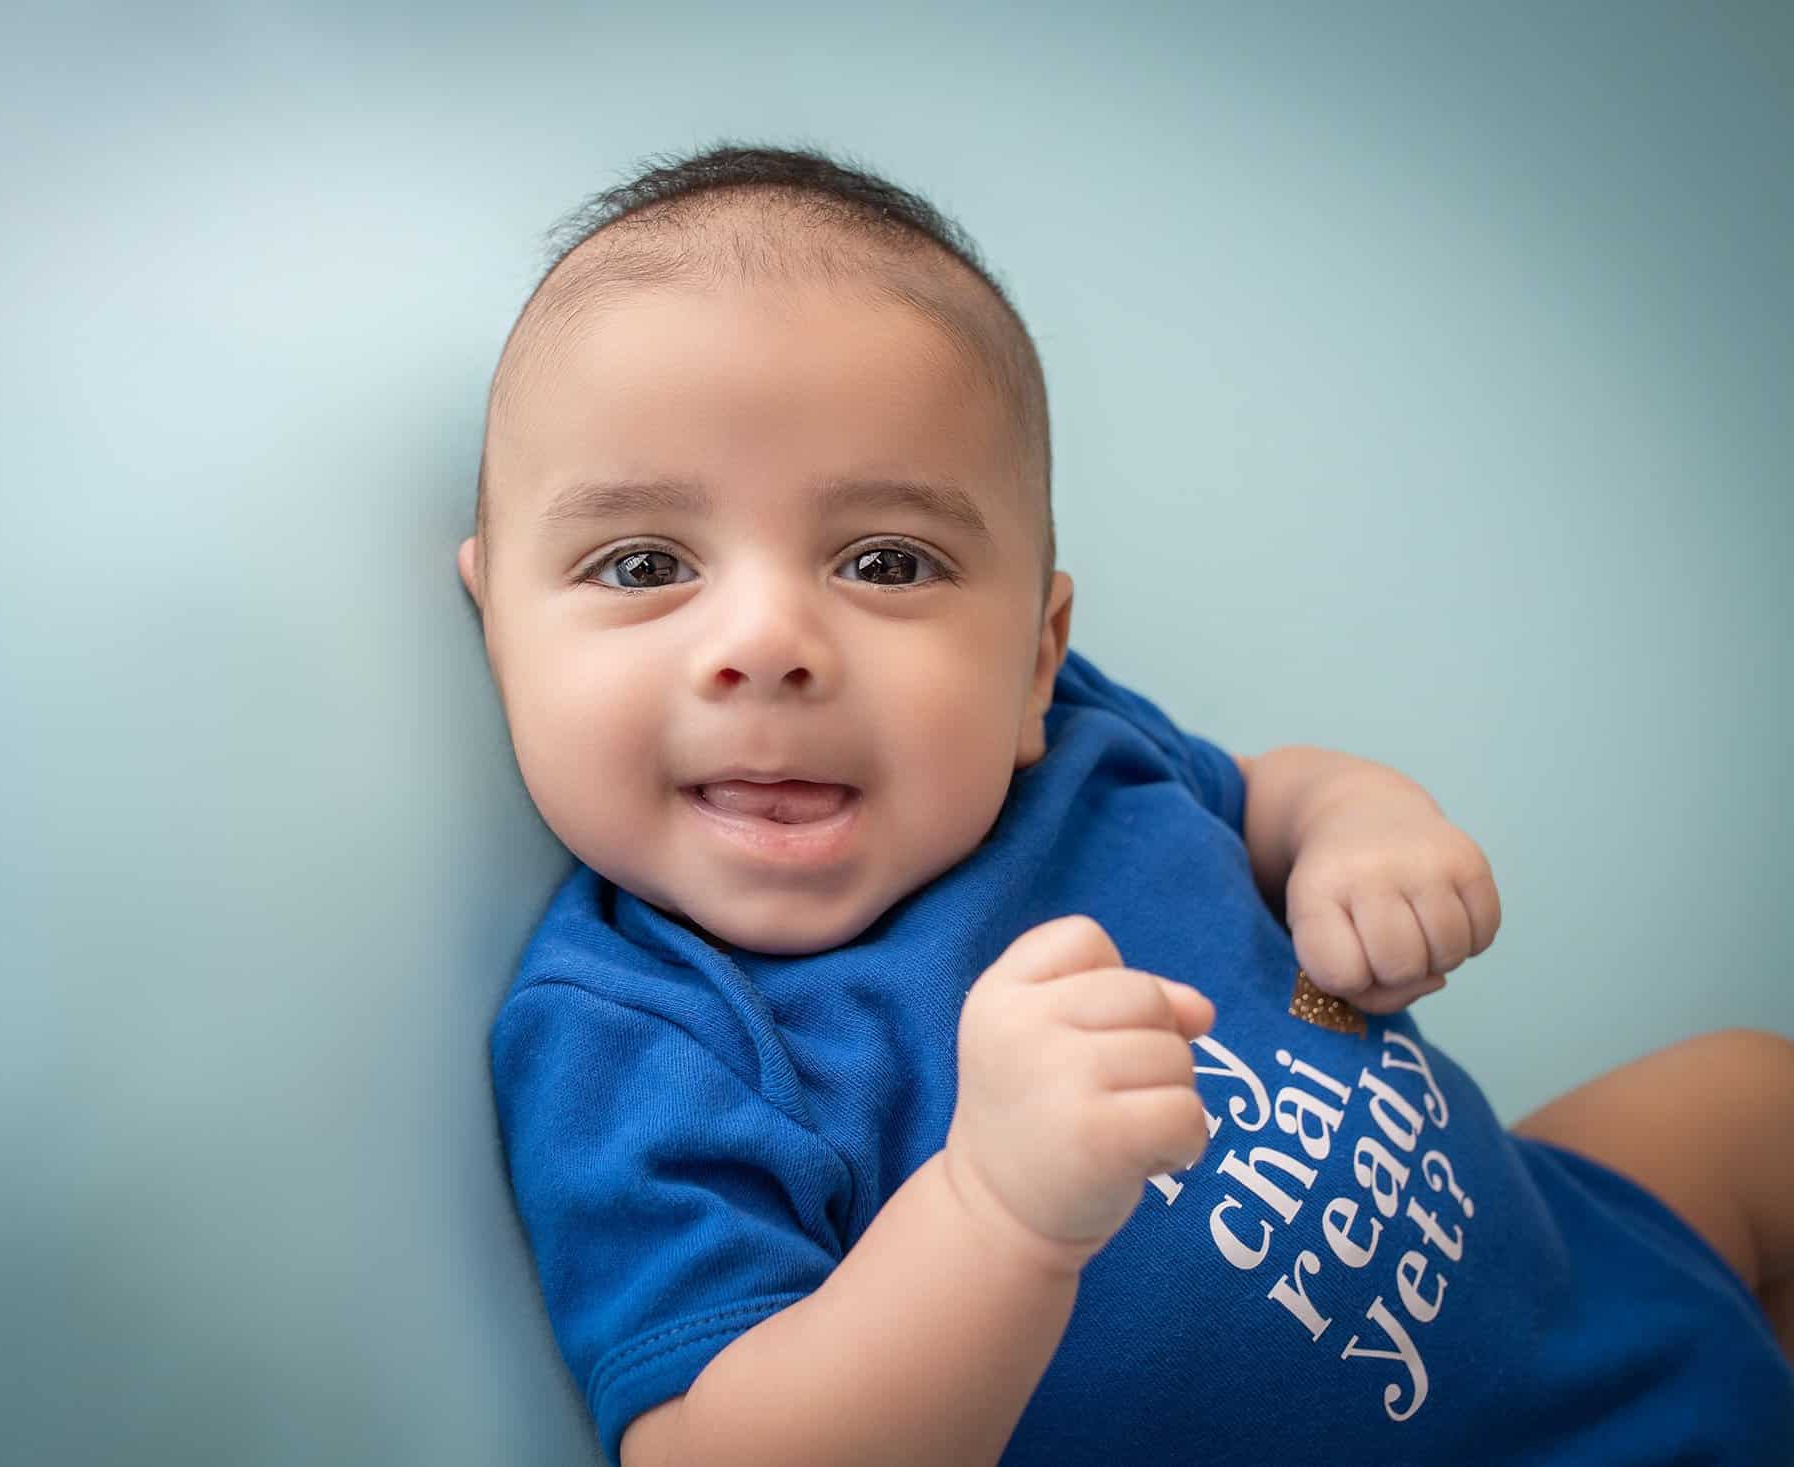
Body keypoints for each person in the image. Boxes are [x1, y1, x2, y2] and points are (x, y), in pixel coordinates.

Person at [460, 143, 1794, 1466]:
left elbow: (1267, 793)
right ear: (497, 619)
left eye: (884, 559)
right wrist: (996, 1212)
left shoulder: (1075, 746)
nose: (766, 643)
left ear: (1037, 656)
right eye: (641, 563)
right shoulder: (645, 1039)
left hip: (1566, 1272)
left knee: (1752, 1094)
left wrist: (1357, 824)